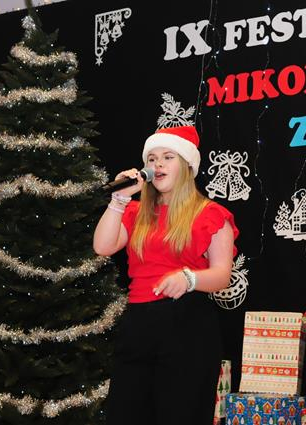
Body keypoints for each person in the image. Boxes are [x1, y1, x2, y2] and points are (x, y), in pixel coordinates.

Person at [93, 125, 238, 424]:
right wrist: (119, 200)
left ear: (187, 166)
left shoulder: (210, 214)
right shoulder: (136, 212)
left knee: (180, 413)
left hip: (187, 325)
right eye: (152, 158)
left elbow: (222, 274)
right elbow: (103, 246)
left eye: (168, 157)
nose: (157, 164)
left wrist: (189, 279)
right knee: (126, 412)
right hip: (139, 323)